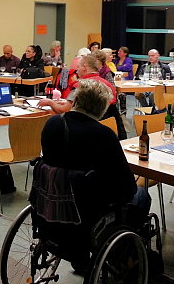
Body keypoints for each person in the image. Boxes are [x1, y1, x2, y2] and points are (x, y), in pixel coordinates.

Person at [40, 78, 149, 272]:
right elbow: (127, 188)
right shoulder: (104, 134)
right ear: (102, 108)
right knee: (141, 195)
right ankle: (121, 254)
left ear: (76, 100)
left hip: (51, 197)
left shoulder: (53, 123)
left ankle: (81, 260)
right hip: (87, 208)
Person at [38, 55, 125, 139]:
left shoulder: (80, 85)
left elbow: (65, 111)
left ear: (85, 67)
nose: (76, 71)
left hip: (84, 132)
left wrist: (50, 102)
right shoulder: (107, 84)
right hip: (109, 128)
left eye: (78, 67)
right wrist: (69, 102)